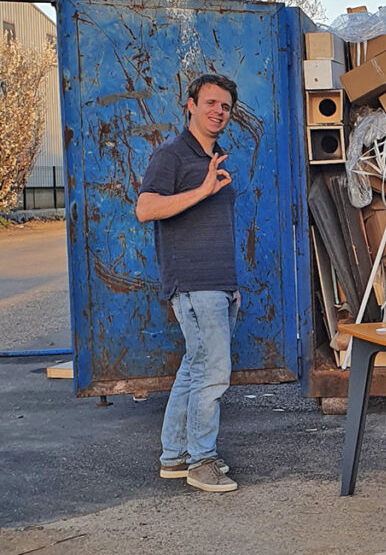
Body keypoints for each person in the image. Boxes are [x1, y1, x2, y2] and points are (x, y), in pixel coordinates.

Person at [135, 74, 241, 492]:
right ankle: (202, 461)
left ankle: (175, 456)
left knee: (195, 367)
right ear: (190, 105)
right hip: (194, 283)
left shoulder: (214, 158)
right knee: (213, 372)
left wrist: (232, 284)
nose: (218, 111)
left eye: (226, 106)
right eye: (211, 103)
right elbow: (146, 208)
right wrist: (200, 190)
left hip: (216, 282)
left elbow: (215, 225)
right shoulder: (172, 156)